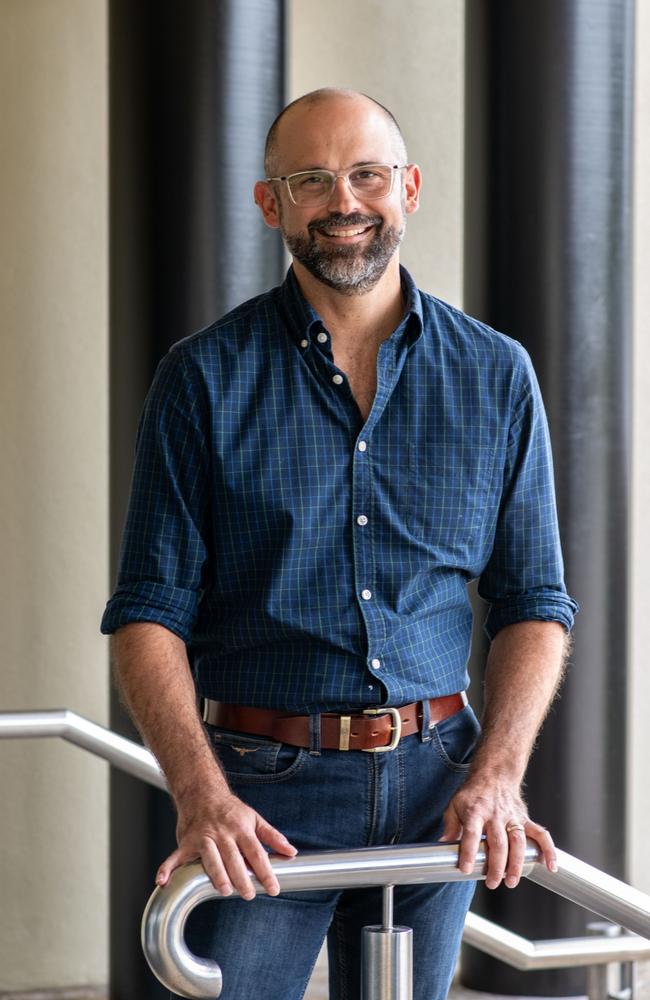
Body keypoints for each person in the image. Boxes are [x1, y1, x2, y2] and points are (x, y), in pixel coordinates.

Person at [101, 88, 578, 1000]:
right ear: (270, 203)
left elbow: (535, 602)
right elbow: (147, 615)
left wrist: (500, 779)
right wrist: (202, 798)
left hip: (440, 783)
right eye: (310, 179)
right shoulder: (202, 378)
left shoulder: (495, 373)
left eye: (366, 174)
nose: (343, 201)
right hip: (261, 797)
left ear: (409, 188)